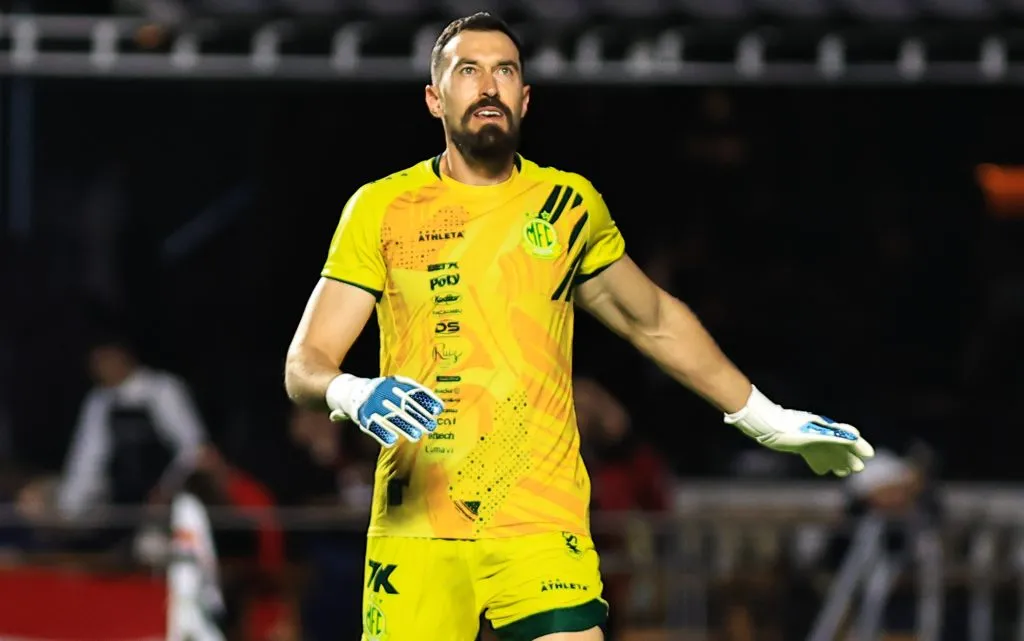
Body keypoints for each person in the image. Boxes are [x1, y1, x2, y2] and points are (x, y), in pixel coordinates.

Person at [283, 13, 875, 641]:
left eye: (505, 71)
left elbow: (652, 320)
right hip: (417, 527)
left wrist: (767, 418)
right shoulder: (380, 208)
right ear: (435, 98)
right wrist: (353, 393)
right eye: (468, 70)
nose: (489, 85)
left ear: (525, 97)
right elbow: (305, 364)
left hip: (540, 519)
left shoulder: (568, 205)